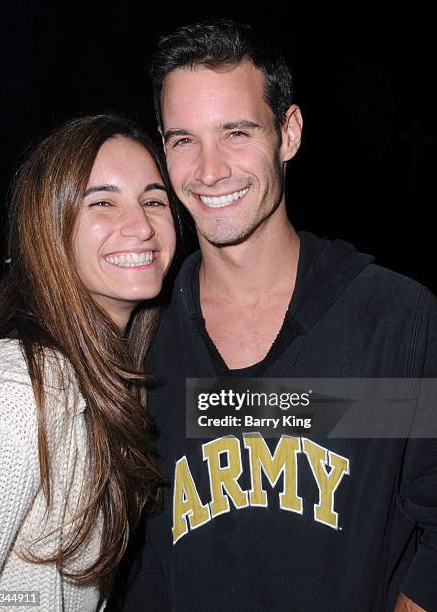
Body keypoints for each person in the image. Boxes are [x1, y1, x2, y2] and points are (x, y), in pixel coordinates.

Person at [118, 20, 437, 612]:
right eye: (183, 139)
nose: (209, 171)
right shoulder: (142, 337)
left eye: (236, 133)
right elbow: (144, 553)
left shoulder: (393, 319)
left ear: (288, 133)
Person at [0, 114, 177, 611]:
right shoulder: (11, 394)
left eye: (154, 200)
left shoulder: (109, 381)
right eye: (103, 202)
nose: (141, 225)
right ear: (49, 225)